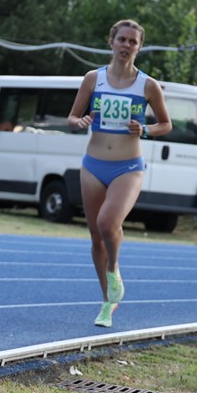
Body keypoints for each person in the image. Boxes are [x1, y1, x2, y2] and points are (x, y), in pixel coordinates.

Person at [67, 19, 171, 328]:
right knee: (95, 236)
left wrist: (146, 129)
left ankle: (114, 270)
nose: (126, 45)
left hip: (128, 167)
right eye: (122, 39)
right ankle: (107, 302)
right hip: (93, 165)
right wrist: (79, 122)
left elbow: (166, 124)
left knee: (107, 223)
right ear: (111, 42)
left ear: (139, 47)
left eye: (132, 41)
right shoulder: (93, 79)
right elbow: (72, 117)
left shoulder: (148, 85)